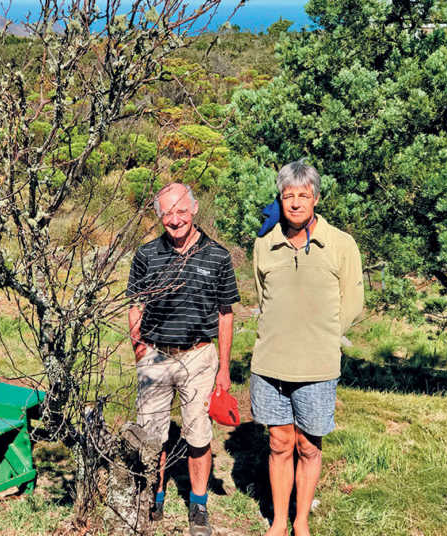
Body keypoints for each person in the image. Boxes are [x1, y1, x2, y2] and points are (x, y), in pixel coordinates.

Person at [250, 161, 364, 536]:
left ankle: (301, 522)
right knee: (280, 442)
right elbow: (263, 298)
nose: (296, 203)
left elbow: (353, 302)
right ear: (280, 199)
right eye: (288, 196)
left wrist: (326, 337)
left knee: (308, 446)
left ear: (315, 197)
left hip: (317, 365)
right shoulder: (264, 244)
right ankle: (279, 522)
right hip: (270, 364)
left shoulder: (341, 244)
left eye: (303, 195)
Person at [127, 183, 240, 536]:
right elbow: (135, 303)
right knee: (151, 434)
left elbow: (226, 313)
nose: (174, 220)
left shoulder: (218, 257)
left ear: (194, 211)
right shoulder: (147, 255)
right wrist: (139, 347)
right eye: (167, 214)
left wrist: (223, 367)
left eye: (181, 211)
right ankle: (153, 496)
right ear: (159, 216)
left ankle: (198, 504)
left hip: (198, 356)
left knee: (198, 434)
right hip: (157, 356)